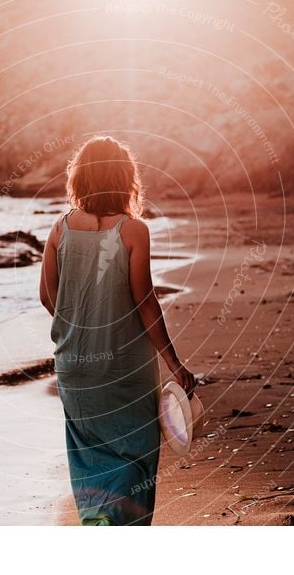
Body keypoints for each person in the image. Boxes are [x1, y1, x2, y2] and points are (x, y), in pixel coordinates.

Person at [39, 135, 196, 525]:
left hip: (74, 364)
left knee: (88, 453)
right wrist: (174, 363)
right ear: (126, 179)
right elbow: (145, 302)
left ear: (80, 178)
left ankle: (99, 523)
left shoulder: (59, 229)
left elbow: (47, 297)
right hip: (125, 366)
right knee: (135, 450)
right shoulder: (133, 231)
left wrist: (81, 329)